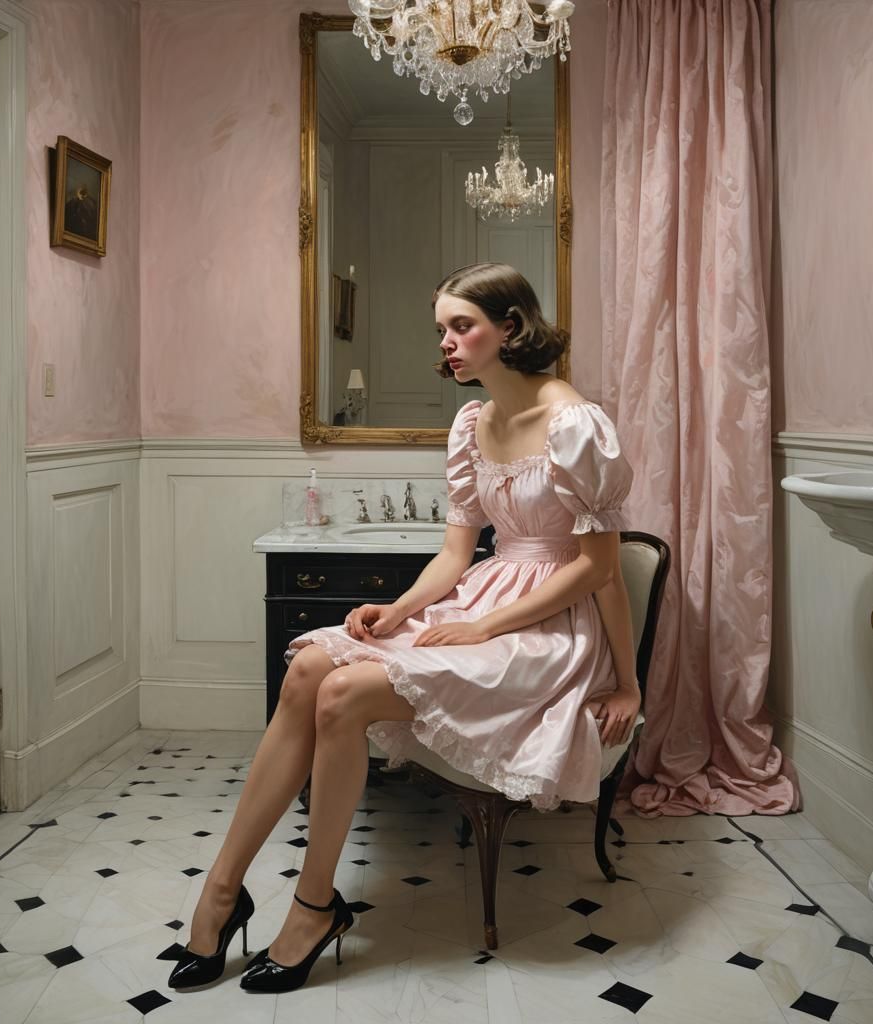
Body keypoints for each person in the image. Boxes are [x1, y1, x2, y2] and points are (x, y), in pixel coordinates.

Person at [166, 261, 640, 995]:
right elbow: (456, 554)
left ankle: (313, 908)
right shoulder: (473, 422)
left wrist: (619, 679)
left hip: (549, 628)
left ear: (510, 327)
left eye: (462, 326)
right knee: (307, 671)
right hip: (487, 599)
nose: (447, 343)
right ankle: (223, 891)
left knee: (345, 694)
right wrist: (401, 612)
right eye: (442, 329)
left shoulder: (576, 422)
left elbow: (597, 569)